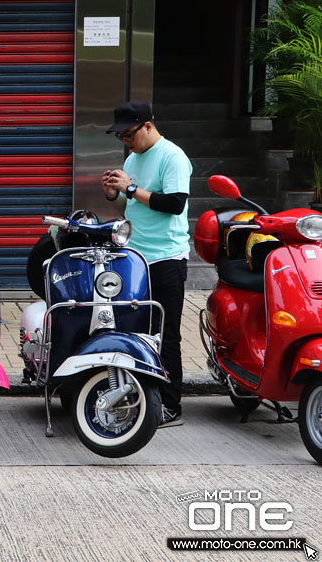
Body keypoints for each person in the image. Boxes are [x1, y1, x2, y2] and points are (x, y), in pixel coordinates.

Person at [102, 100, 192, 429]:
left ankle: (171, 405)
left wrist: (131, 187)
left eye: (128, 134)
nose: (125, 141)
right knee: (137, 332)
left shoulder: (172, 156)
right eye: (120, 137)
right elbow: (134, 201)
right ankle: (142, 395)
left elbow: (173, 203)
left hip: (167, 258)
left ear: (148, 126)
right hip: (135, 257)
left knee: (166, 335)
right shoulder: (134, 156)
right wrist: (116, 193)